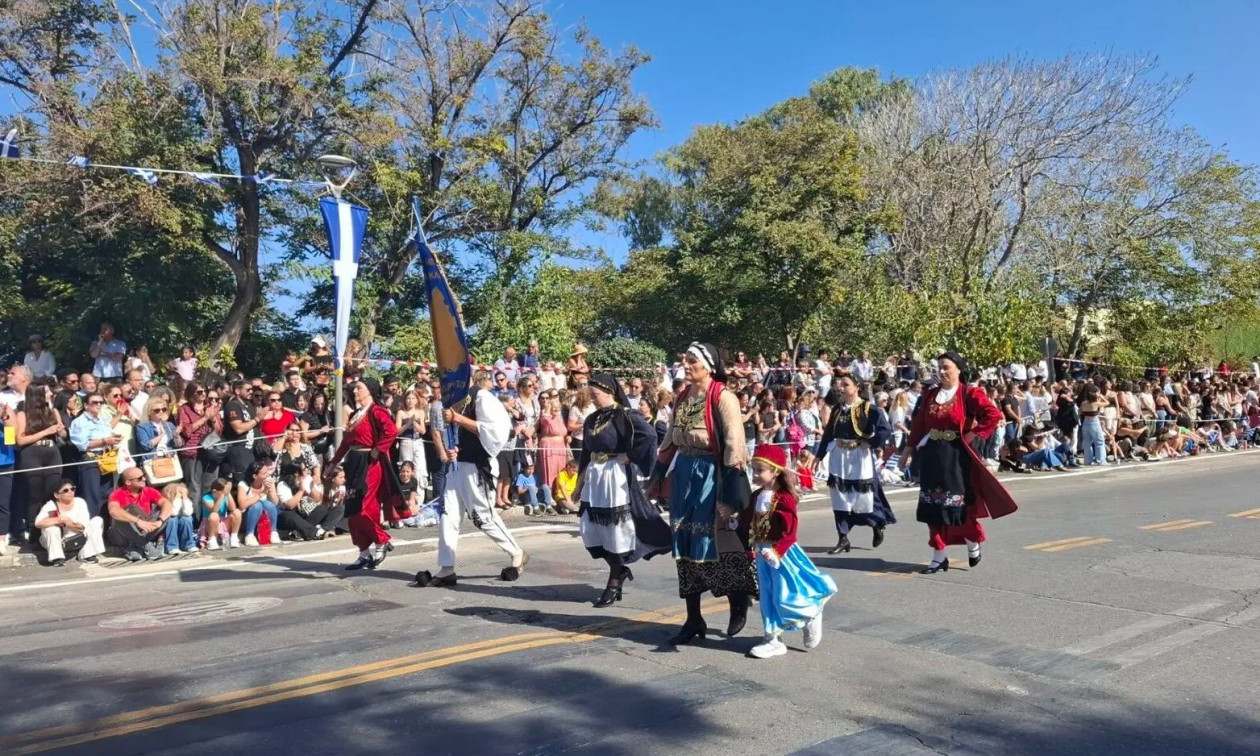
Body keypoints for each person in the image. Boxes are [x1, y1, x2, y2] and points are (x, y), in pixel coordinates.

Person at [660, 343, 756, 645]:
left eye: (692, 361)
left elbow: (734, 444)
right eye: (685, 360)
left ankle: (738, 599)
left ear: (709, 366)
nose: (686, 365)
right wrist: (655, 476)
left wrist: (728, 497)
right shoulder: (683, 398)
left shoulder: (723, 397)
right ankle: (693, 617)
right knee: (684, 542)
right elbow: (668, 440)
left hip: (712, 474)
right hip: (685, 474)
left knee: (716, 540)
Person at [902, 351, 1017, 573]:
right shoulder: (930, 395)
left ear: (958, 370)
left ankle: (973, 541)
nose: (942, 371)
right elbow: (919, 424)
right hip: (933, 455)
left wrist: (973, 434)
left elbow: (992, 415)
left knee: (959, 505)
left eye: (946, 367)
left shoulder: (969, 393)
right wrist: (908, 449)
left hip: (957, 456)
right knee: (932, 505)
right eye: (939, 367)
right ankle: (938, 555)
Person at [413, 371, 527, 587]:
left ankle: (517, 551)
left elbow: (495, 431)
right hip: (458, 466)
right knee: (449, 515)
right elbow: (461, 434)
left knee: (482, 516)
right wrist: (457, 448)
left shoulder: (482, 397)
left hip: (477, 465)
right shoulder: (455, 400)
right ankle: (447, 567)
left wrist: (458, 418)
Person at [576, 374, 671, 607]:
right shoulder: (592, 419)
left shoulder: (625, 415)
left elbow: (648, 436)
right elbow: (585, 452)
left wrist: (628, 456)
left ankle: (614, 579)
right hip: (595, 477)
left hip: (614, 476)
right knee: (591, 530)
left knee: (615, 530)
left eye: (595, 393)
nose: (592, 398)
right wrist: (579, 484)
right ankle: (617, 572)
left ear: (608, 391)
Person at [746, 444, 835, 658]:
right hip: (762, 553)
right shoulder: (757, 495)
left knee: (785, 596)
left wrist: (776, 551)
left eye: (760, 470)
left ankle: (811, 615)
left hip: (782, 555)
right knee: (766, 596)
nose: (755, 474)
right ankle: (772, 639)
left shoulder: (784, 499)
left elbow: (790, 532)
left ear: (775, 471)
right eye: (754, 469)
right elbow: (748, 520)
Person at [326, 378, 401, 570]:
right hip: (354, 462)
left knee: (364, 506)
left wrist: (377, 450)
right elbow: (346, 443)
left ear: (370, 390)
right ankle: (363, 553)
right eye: (355, 388)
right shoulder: (355, 415)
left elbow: (391, 431)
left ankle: (382, 539)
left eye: (359, 388)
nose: (355, 391)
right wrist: (333, 463)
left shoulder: (376, 411)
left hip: (370, 462)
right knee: (352, 509)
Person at [817, 374, 895, 554]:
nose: (841, 388)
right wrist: (819, 456)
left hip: (860, 457)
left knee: (865, 496)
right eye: (839, 385)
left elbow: (885, 429)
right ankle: (843, 538)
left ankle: (876, 524)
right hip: (839, 456)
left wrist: (872, 443)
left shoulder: (868, 408)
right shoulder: (837, 409)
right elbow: (828, 434)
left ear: (856, 387)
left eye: (845, 384)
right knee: (839, 497)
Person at [15, 383, 66, 541]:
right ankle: (34, 531)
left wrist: (60, 430)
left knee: (51, 493)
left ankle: (52, 528)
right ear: (37, 394)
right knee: (35, 496)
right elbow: (21, 440)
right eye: (47, 391)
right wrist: (46, 431)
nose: (51, 393)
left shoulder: (52, 411)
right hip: (33, 454)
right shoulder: (23, 414)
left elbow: (62, 434)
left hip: (52, 452)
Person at [69, 391, 123, 518]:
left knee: (106, 493)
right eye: (94, 402)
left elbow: (108, 433)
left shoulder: (103, 419)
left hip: (106, 457)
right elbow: (82, 444)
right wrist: (104, 441)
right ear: (86, 405)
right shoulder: (79, 421)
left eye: (100, 402)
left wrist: (113, 438)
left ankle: (104, 526)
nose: (98, 404)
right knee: (92, 495)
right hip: (90, 458)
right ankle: (92, 525)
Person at [106, 468, 176, 561]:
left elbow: (166, 503)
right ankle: (145, 544)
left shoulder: (149, 490)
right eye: (139, 478)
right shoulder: (117, 494)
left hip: (145, 529)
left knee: (166, 512)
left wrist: (160, 521)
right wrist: (138, 521)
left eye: (143, 476)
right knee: (120, 516)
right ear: (128, 482)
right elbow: (113, 511)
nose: (144, 479)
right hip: (124, 534)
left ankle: (135, 548)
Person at [36, 479, 106, 565]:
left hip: (78, 535)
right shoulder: (51, 505)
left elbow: (82, 526)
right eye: (65, 490)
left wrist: (68, 524)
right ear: (57, 495)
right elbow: (38, 523)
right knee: (51, 528)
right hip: (59, 539)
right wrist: (58, 520)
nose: (70, 492)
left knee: (97, 520)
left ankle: (87, 554)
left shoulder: (80, 502)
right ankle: (57, 558)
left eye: (72, 489)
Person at [201, 478, 242, 549]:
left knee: (237, 512)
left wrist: (228, 493)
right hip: (211, 524)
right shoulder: (206, 497)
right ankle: (212, 540)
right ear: (214, 491)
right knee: (214, 515)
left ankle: (234, 538)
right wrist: (222, 495)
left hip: (222, 522)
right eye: (223, 491)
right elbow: (214, 510)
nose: (224, 493)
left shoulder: (226, 496)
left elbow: (232, 508)